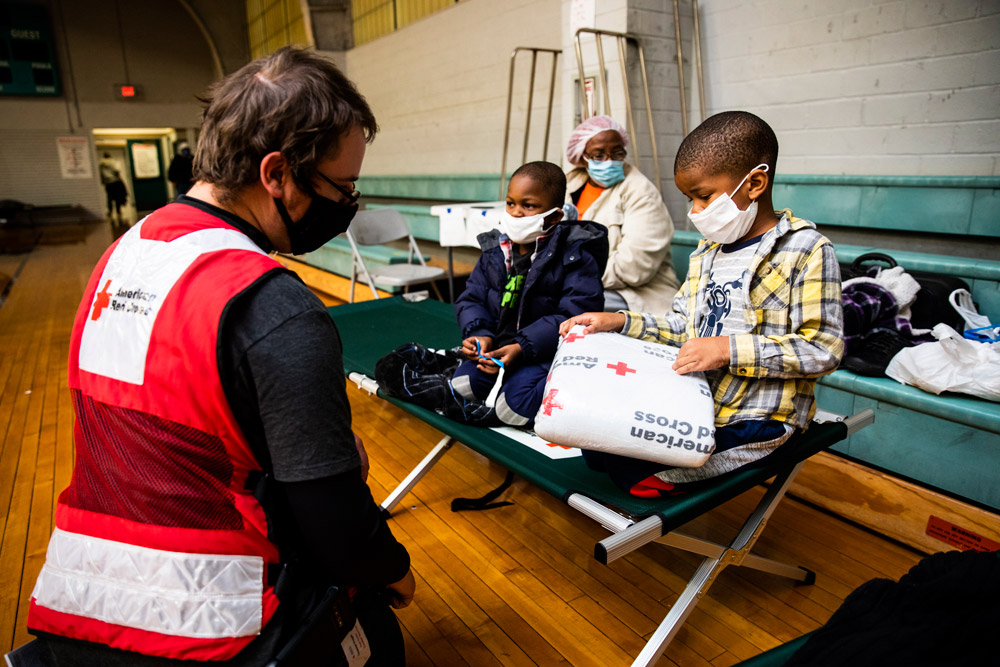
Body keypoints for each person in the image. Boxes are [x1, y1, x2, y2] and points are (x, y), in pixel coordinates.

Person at [27, 48, 413, 666]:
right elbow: (329, 511)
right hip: (210, 619)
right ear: (277, 175)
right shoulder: (273, 304)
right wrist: (390, 568)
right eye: (343, 188)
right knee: (378, 636)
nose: (351, 204)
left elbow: (183, 415)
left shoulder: (128, 251)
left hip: (83, 590)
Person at [560, 111, 844, 497]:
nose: (694, 211)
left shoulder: (806, 250)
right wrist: (619, 321)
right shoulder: (707, 253)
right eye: (689, 198)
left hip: (758, 418)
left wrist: (728, 349)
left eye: (704, 196)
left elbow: (822, 350)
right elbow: (681, 327)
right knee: (596, 447)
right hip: (698, 405)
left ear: (755, 183)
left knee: (636, 477)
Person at [452, 161, 607, 426]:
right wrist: (479, 335)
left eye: (529, 205)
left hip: (544, 351)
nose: (516, 213)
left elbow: (574, 316)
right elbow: (473, 298)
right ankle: (502, 373)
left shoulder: (575, 255)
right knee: (462, 385)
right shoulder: (495, 251)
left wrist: (522, 348)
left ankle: (548, 380)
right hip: (498, 347)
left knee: (514, 408)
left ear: (555, 216)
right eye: (511, 203)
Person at [565, 115, 680, 314]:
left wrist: (569, 276)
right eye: (598, 155)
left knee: (568, 308)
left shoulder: (641, 192)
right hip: (577, 283)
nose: (609, 162)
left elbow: (633, 269)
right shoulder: (570, 185)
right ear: (583, 157)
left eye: (617, 153)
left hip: (635, 294)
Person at [98, 152, 128, 223]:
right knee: (117, 197)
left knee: (109, 197)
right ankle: (118, 211)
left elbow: (101, 175)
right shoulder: (112, 162)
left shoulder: (101, 164)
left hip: (108, 183)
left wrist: (103, 182)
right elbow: (117, 170)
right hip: (115, 181)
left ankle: (110, 211)